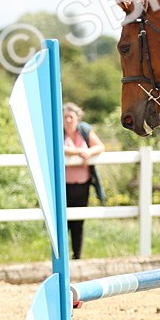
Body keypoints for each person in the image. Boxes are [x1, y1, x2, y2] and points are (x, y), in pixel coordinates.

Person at [62, 102, 105, 259]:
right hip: (64, 186)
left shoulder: (84, 130)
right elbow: (57, 148)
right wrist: (78, 152)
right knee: (63, 222)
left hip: (83, 184)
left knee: (78, 221)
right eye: (65, 117)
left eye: (70, 117)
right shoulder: (59, 132)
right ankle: (62, 256)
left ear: (77, 118)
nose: (67, 120)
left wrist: (88, 152)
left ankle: (77, 255)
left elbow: (100, 146)